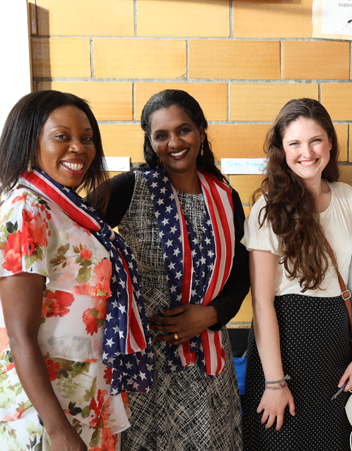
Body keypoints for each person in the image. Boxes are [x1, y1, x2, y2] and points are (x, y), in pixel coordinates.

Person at [95, 89, 250, 450]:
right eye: (161, 135)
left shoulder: (226, 197)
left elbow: (241, 276)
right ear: (150, 141)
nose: (174, 142)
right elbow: (76, 233)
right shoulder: (130, 188)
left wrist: (211, 314)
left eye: (183, 130)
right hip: (148, 364)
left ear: (200, 131)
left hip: (209, 362)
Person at [0, 90, 153, 451]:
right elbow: (18, 333)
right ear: (29, 140)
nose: (78, 148)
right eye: (61, 137)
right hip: (46, 409)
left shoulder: (71, 211)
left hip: (87, 395)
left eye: (86, 139)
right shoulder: (26, 208)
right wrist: (58, 430)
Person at [241, 98, 352, 450]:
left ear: (330, 142)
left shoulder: (347, 198)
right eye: (294, 143)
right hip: (286, 344)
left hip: (335, 345)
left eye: (316, 140)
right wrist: (274, 383)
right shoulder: (267, 210)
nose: (307, 152)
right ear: (281, 150)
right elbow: (262, 303)